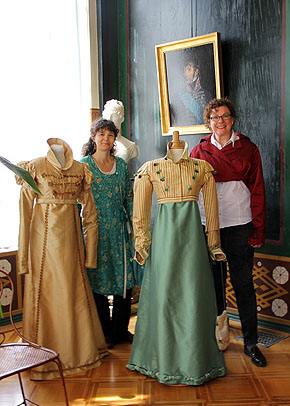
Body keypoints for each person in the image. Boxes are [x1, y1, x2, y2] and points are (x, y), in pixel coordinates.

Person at [127, 132, 226, 386]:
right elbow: (139, 211)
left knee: (193, 296)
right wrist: (142, 243)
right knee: (163, 297)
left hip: (193, 242)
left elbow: (213, 210)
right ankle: (160, 359)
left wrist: (213, 244)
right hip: (163, 243)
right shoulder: (151, 169)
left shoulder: (202, 168)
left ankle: (195, 361)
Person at [16, 138, 108, 380]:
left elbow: (90, 214)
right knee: (45, 292)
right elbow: (24, 215)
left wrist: (91, 255)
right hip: (42, 241)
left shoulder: (80, 170)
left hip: (72, 240)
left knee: (73, 290)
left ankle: (79, 351)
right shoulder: (34, 167)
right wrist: (23, 258)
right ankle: (43, 357)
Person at [190, 97, 267, 367]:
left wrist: (258, 227)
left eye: (224, 116)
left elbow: (257, 189)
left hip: (239, 222)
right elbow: (190, 192)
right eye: (214, 117)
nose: (219, 122)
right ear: (207, 121)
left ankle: (251, 343)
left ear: (232, 119)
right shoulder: (198, 151)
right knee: (213, 285)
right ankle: (217, 339)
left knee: (243, 284)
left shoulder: (247, 149)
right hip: (207, 223)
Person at [81, 118, 135, 349]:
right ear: (93, 137)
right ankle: (104, 332)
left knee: (125, 280)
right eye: (101, 134)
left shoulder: (122, 166)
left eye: (109, 135)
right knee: (97, 281)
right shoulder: (83, 166)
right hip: (94, 232)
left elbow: (129, 198)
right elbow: (76, 201)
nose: (105, 138)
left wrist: (136, 226)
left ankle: (120, 330)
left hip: (119, 229)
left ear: (114, 139)